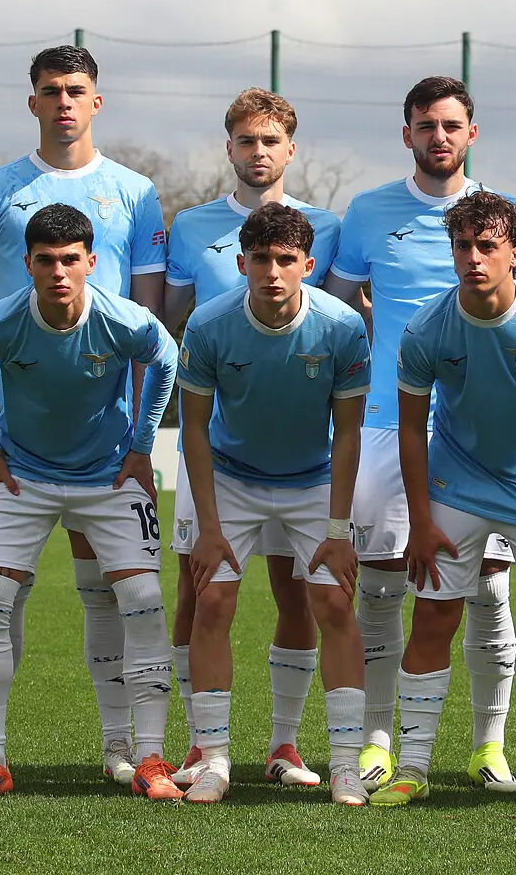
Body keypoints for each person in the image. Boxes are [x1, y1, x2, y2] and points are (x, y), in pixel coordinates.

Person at [323, 76, 516, 792]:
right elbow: (340, 313)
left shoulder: (505, 214)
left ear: (471, 133)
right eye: (426, 125)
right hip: (391, 426)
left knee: (489, 588)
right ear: (408, 135)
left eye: (452, 125)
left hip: (487, 436)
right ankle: (378, 742)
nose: (439, 137)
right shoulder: (368, 212)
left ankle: (489, 748)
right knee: (384, 587)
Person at [0, 44, 167, 786]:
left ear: (96, 101)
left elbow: (151, 325)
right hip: (18, 434)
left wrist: (138, 436)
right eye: (51, 90)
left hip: (106, 433)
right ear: (34, 101)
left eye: (77, 90)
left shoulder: (136, 192)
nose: (64, 102)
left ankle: (123, 747)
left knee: (110, 590)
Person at [368, 192, 516, 810]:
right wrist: (420, 521)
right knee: (433, 619)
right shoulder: (425, 328)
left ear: (515, 254)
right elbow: (410, 429)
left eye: (487, 246)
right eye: (462, 246)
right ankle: (412, 768)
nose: (473, 257)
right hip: (454, 485)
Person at [163, 88, 341, 789]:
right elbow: (175, 322)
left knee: (297, 594)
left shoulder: (325, 227)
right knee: (198, 592)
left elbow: (337, 326)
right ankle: (199, 744)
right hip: (219, 453)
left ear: (290, 149)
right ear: (229, 147)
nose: (258, 152)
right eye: (246, 140)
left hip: (302, 456)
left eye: (270, 141)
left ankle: (285, 744)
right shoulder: (190, 226)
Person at [176, 203, 370, 806]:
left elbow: (349, 433)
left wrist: (338, 529)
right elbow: (193, 428)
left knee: (333, 603)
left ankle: (344, 765)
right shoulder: (208, 324)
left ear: (308, 265)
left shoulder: (342, 327)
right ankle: (213, 760)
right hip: (233, 478)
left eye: (286, 260)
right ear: (242, 264)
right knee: (211, 601)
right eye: (260, 259)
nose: (272, 272)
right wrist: (210, 528)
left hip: (312, 482)